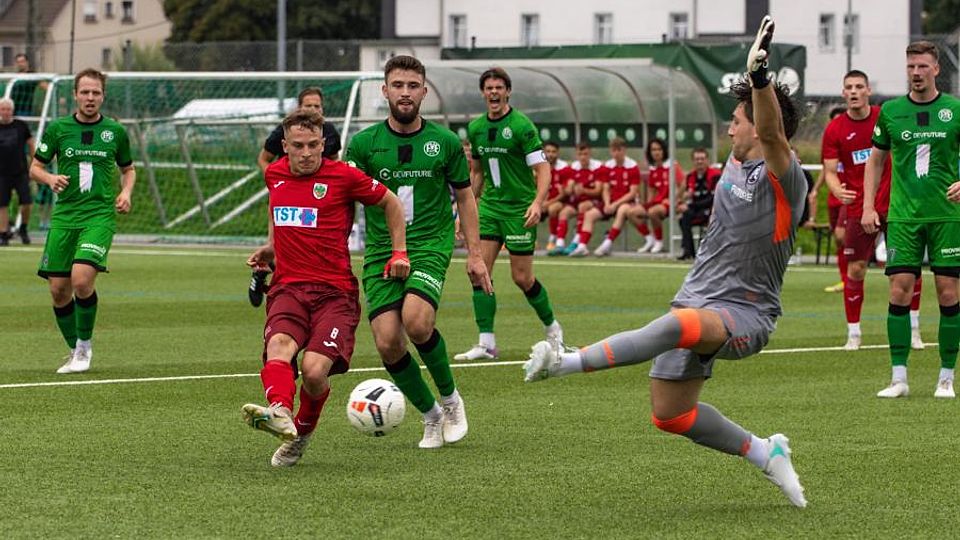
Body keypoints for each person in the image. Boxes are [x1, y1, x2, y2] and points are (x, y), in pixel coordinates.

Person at [524, 17, 808, 508]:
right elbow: (761, 132)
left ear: (760, 127)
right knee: (671, 415)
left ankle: (566, 361)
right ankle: (766, 452)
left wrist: (760, 77)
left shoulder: (788, 179)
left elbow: (772, 134)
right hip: (696, 297)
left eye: (736, 121)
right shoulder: (734, 163)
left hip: (746, 312)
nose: (730, 127)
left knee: (680, 326)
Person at [241, 109, 409, 466]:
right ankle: (279, 410)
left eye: (313, 145)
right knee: (280, 346)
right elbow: (281, 212)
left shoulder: (345, 176)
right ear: (284, 146)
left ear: (324, 144)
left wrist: (399, 252)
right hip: (288, 288)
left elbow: (391, 202)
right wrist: (272, 248)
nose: (305, 153)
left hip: (334, 294)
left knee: (315, 371)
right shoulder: (274, 175)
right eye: (297, 146)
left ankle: (300, 434)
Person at [346, 55, 493, 449]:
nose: (405, 93)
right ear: (385, 91)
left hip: (429, 245)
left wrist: (475, 255)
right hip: (380, 252)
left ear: (424, 91)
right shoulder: (363, 145)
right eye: (398, 85)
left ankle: (451, 400)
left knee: (416, 321)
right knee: (388, 341)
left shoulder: (444, 143)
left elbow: (465, 197)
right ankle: (430, 415)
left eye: (413, 86)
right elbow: (345, 202)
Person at [863, 41, 960, 399]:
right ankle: (899, 378)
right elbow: (875, 161)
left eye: (922, 66)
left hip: (946, 216)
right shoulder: (890, 111)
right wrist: (868, 206)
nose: (916, 73)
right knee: (898, 291)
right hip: (903, 217)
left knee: (948, 293)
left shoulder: (955, 110)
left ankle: (946, 378)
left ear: (936, 69)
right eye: (911, 67)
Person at [30, 68, 136, 374]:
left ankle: (85, 348)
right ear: (75, 95)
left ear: (103, 96)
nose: (90, 98)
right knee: (58, 290)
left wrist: (125, 192)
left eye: (96, 93)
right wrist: (49, 177)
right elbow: (35, 167)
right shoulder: (58, 129)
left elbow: (128, 168)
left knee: (81, 280)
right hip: (64, 216)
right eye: (85, 92)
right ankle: (74, 349)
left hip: (98, 216)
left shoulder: (115, 132)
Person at [455, 66, 563, 361]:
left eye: (498, 88)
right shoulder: (476, 128)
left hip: (519, 210)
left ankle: (553, 329)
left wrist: (538, 202)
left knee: (522, 277)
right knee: (478, 272)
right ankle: (486, 343)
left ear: (507, 92)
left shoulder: (521, 126)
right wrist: (467, 210)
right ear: (482, 93)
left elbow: (542, 169)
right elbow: (476, 172)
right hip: (489, 208)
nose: (493, 93)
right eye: (488, 88)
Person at [821, 70, 925, 352]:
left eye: (859, 86)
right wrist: (836, 188)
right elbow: (830, 170)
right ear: (843, 93)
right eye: (848, 87)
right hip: (858, 207)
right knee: (855, 269)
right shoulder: (835, 129)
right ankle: (853, 334)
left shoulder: (887, 116)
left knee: (907, 270)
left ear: (868, 90)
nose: (853, 91)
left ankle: (914, 330)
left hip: (896, 205)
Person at [248, 87, 343, 308]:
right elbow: (263, 159)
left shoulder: (328, 131)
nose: (312, 109)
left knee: (309, 253)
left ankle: (287, 290)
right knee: (282, 248)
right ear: (299, 107)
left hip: (317, 201)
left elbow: (335, 161)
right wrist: (277, 185)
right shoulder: (284, 131)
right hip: (287, 198)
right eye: (308, 105)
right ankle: (269, 283)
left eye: (317, 106)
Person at [812, 106, 849, 293]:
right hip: (833, 198)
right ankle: (845, 279)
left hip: (848, 196)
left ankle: (851, 278)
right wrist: (816, 190)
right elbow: (827, 170)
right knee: (838, 239)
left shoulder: (854, 140)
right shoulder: (831, 142)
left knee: (843, 236)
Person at [629, 137, 684, 254]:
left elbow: (683, 184)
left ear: (664, 150)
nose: (656, 152)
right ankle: (650, 239)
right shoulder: (653, 169)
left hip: (669, 203)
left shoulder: (672, 165)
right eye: (653, 150)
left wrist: (674, 200)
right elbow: (651, 191)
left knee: (653, 212)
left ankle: (659, 241)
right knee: (631, 212)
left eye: (659, 149)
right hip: (658, 203)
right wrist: (646, 204)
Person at [593, 137, 641, 257]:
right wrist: (608, 203)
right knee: (589, 214)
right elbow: (605, 188)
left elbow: (632, 193)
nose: (616, 153)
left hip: (627, 202)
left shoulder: (632, 166)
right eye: (614, 150)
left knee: (622, 210)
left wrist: (615, 204)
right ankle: (581, 245)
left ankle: (607, 243)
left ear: (624, 150)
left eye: (619, 150)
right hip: (610, 203)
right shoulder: (608, 166)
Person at [0, 98, 35, 245]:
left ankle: (23, 228)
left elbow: (31, 144)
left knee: (26, 202)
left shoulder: (21, 126)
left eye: (8, 109)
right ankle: (3, 233)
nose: (5, 112)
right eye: (3, 109)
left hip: (20, 171)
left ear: (12, 111)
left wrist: (35, 164)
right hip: (1, 173)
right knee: (2, 204)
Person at [676, 147, 721, 260]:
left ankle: (704, 252)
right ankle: (689, 251)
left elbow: (712, 198)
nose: (699, 161)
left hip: (712, 210)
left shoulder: (715, 175)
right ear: (693, 161)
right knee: (683, 217)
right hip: (696, 210)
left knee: (689, 213)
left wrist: (689, 205)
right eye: (696, 159)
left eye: (702, 158)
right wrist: (682, 201)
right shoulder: (690, 177)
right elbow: (682, 195)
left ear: (707, 160)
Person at [565, 142, 607, 257]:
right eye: (580, 154)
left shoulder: (598, 167)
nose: (583, 157)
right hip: (578, 202)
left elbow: (598, 191)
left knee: (583, 207)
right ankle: (558, 243)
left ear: (590, 153)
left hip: (596, 201)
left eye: (585, 154)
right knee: (563, 211)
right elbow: (568, 190)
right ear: (576, 155)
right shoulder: (574, 167)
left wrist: (584, 191)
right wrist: (571, 188)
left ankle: (576, 242)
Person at [542, 141, 570, 251]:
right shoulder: (539, 167)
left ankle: (554, 239)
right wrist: (539, 202)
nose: (550, 154)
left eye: (553, 152)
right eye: (548, 151)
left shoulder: (564, 168)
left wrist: (547, 203)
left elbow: (564, 193)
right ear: (543, 152)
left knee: (553, 208)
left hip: (561, 202)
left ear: (558, 153)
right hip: (542, 202)